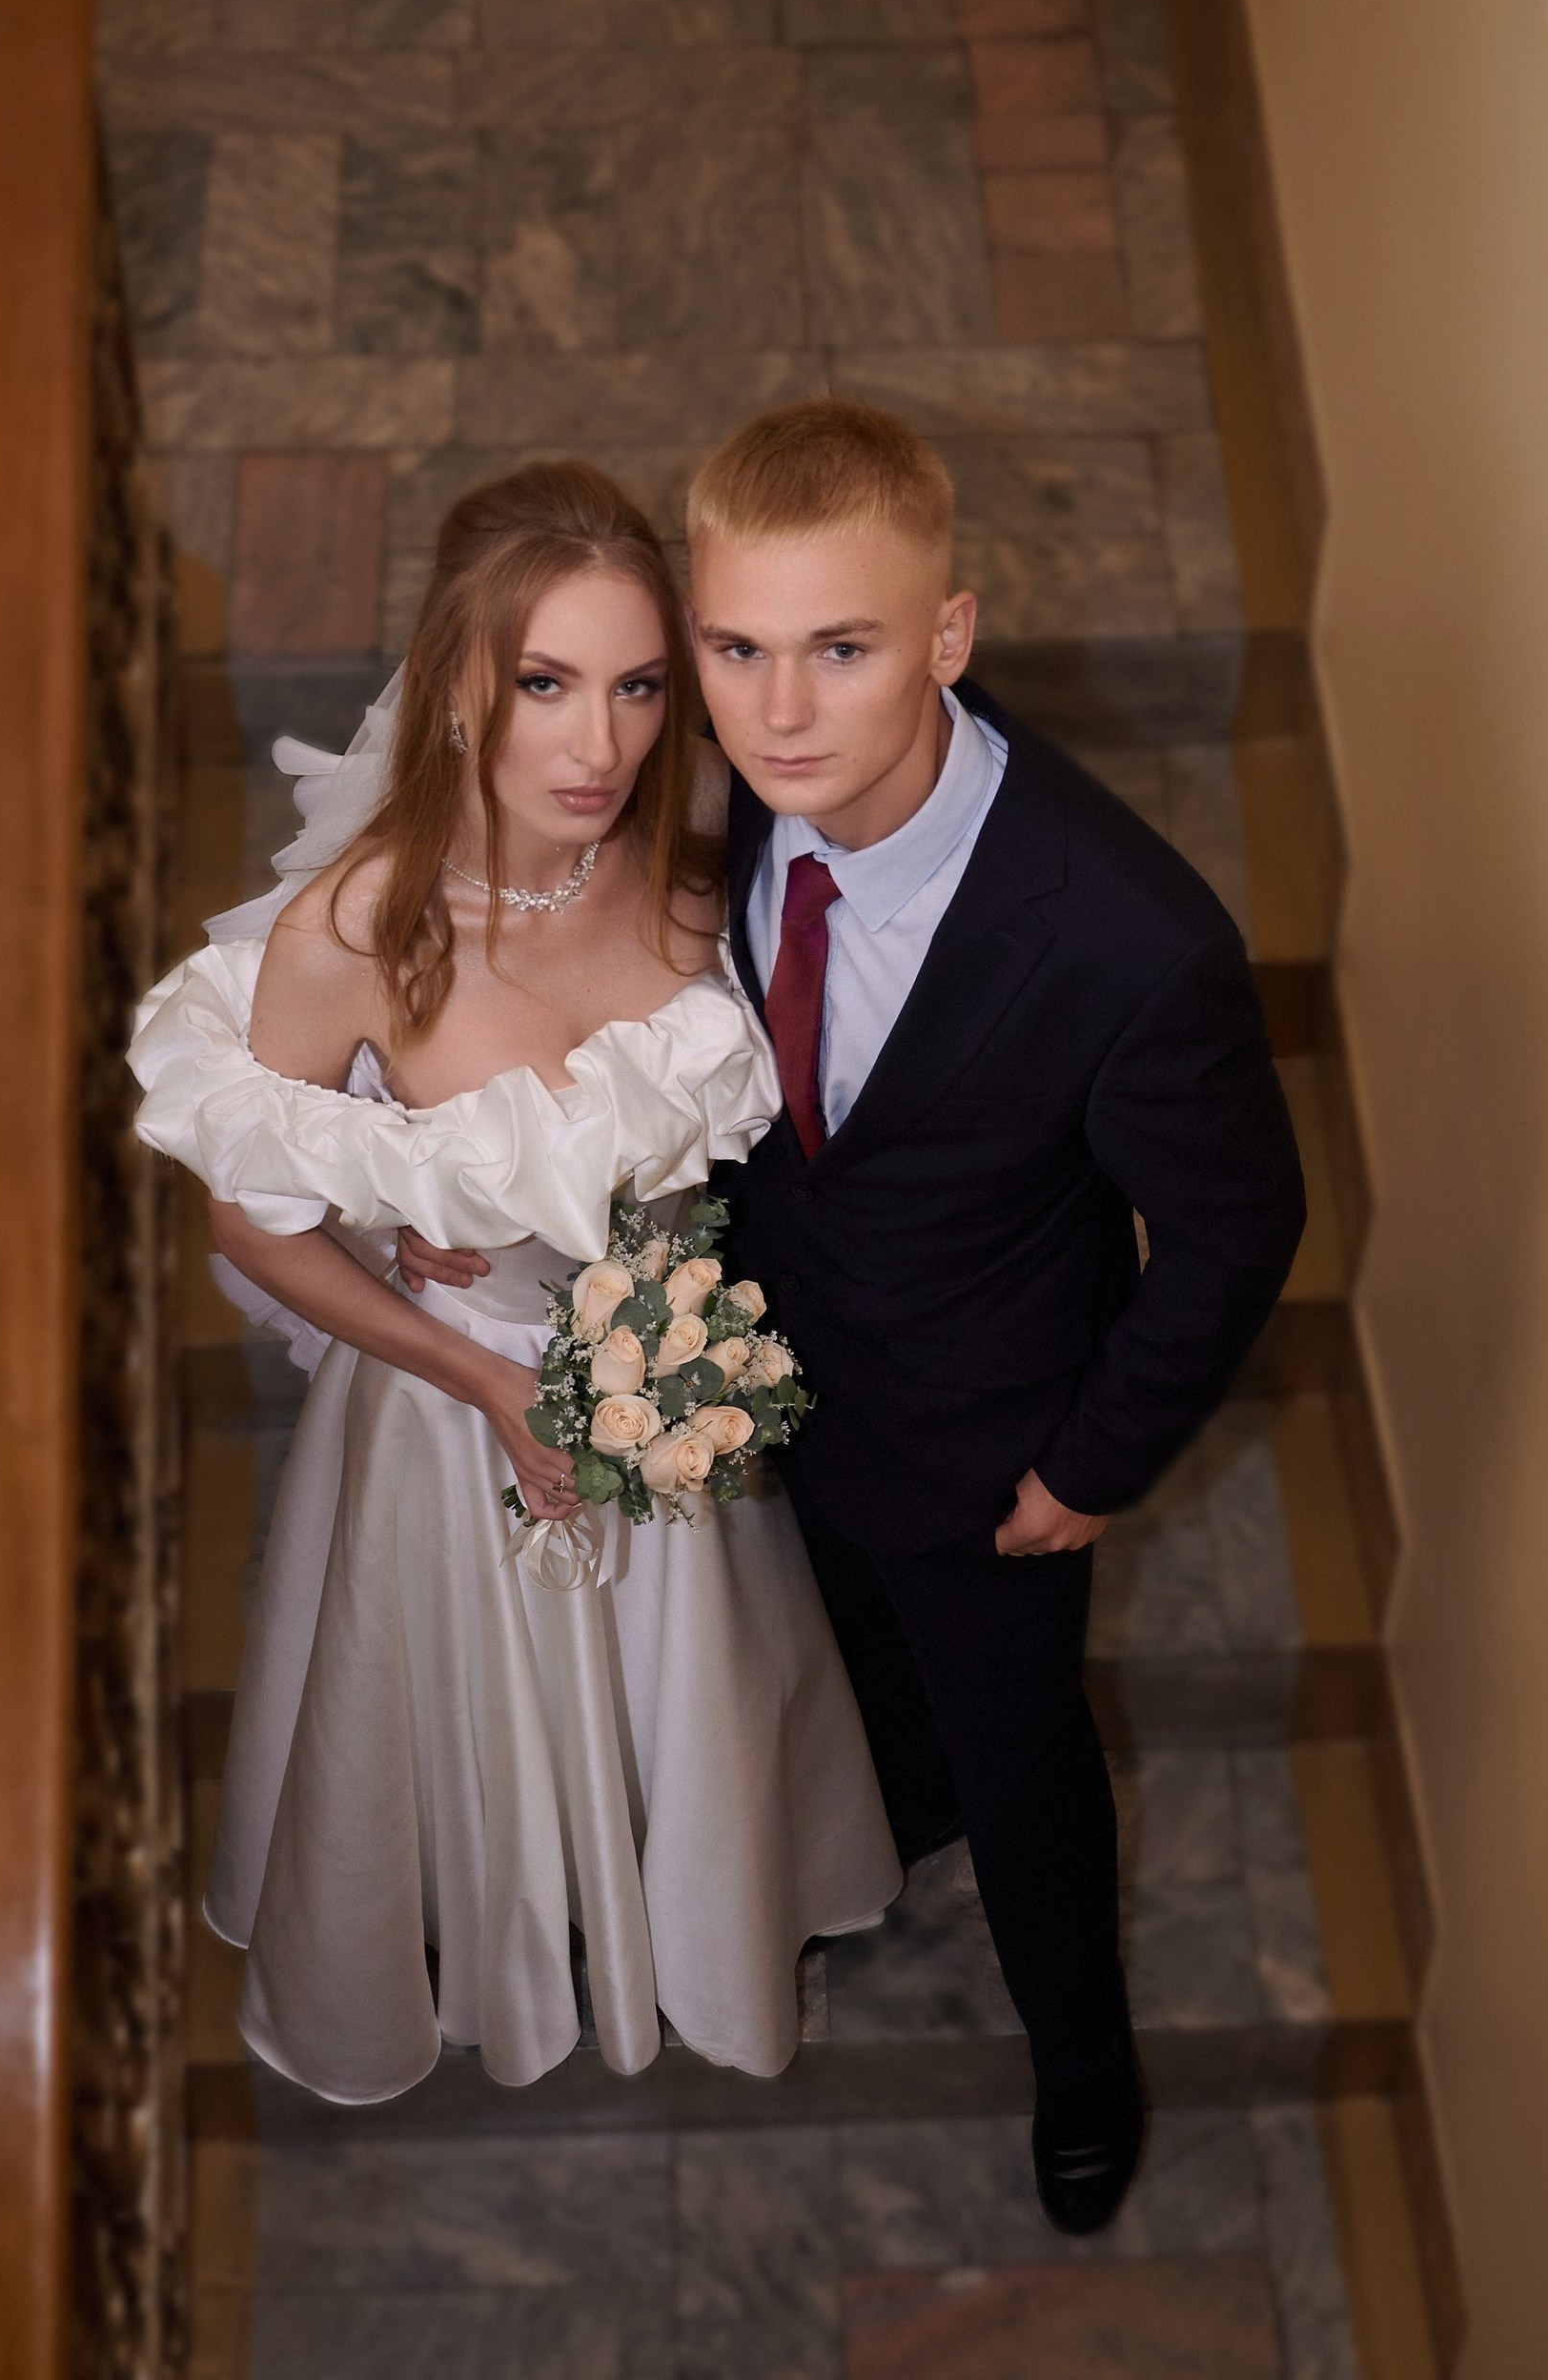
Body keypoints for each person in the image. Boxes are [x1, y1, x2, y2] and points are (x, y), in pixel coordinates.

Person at [399, 402, 1309, 2230]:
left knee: (1022, 1768)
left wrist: (1092, 1467)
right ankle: (854, 1836)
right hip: (758, 1385)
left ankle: (1084, 2065)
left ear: (948, 636)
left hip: (990, 1457)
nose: (780, 712)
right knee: (814, 1675)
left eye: (842, 649)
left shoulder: (1130, 939)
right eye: (735, 650)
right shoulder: (720, 794)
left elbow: (1237, 1228)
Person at [128, 459, 902, 2106]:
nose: (598, 746)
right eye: (546, 684)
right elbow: (249, 1228)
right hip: (452, 1412)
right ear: (459, 684)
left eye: (637, 686)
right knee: (459, 1728)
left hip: (675, 1393)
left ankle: (693, 1930)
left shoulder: (703, 858)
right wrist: (481, 1373)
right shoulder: (357, 930)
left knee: (693, 1699)